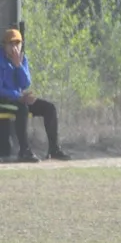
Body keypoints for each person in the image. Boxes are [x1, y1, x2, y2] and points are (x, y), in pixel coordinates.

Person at [0, 29, 69, 162]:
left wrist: (18, 65)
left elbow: (25, 83)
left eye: (17, 43)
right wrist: (18, 96)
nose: (14, 47)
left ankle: (54, 149)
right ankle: (24, 151)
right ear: (4, 45)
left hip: (18, 99)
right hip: (3, 100)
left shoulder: (22, 59)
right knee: (22, 108)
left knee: (49, 108)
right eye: (11, 43)